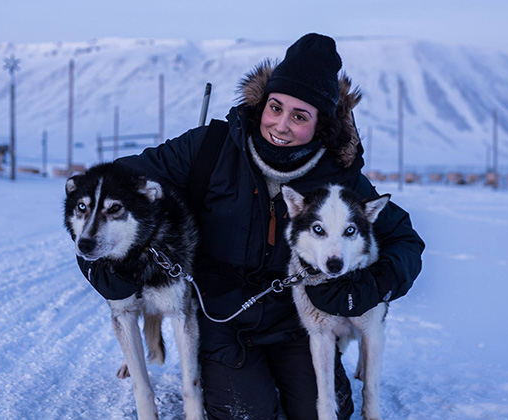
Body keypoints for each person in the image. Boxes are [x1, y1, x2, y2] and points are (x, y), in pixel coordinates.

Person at [113, 33, 424, 419]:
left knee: (323, 413)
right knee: (247, 412)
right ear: (262, 103)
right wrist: (101, 264)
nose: (280, 124)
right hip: (220, 315)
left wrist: (370, 286)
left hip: (298, 320)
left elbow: (404, 241)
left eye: (299, 116)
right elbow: (118, 182)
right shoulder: (209, 148)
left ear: (320, 125)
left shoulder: (339, 177)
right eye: (275, 107)